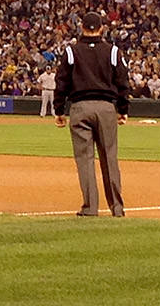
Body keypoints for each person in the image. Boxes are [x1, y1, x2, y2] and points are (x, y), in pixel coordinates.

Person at [55, 12, 130, 217]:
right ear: (101, 28)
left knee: (85, 160)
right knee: (110, 158)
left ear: (81, 28)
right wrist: (123, 109)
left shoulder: (71, 51)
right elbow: (123, 82)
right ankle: (117, 208)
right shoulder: (113, 51)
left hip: (79, 107)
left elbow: (61, 82)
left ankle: (90, 208)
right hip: (106, 108)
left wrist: (59, 110)